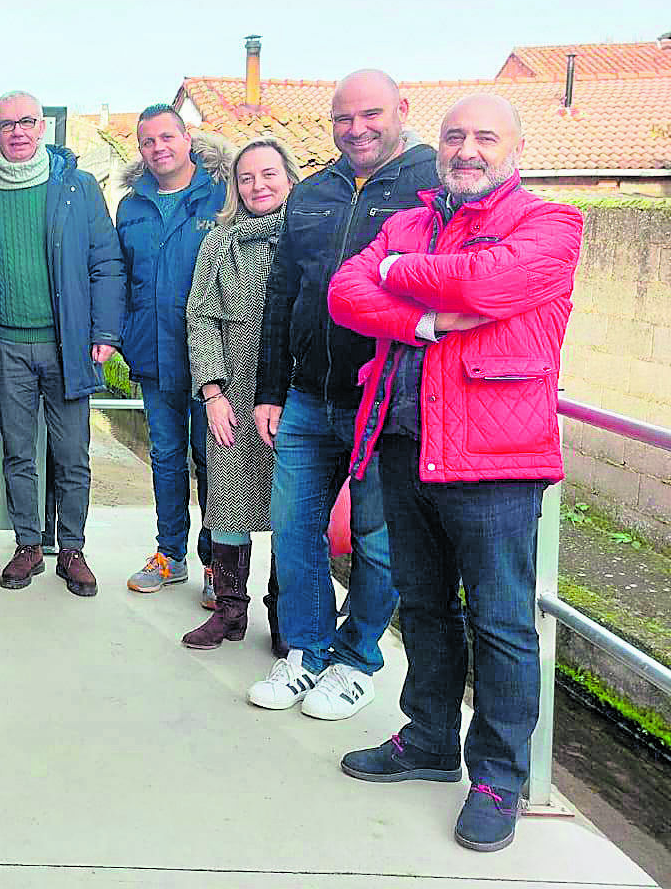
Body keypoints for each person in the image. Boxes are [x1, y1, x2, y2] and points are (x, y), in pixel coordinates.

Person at [330, 94, 582, 853]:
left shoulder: (551, 223)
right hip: (405, 443)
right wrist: (426, 317)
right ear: (435, 145)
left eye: (484, 137)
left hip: (496, 460)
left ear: (516, 146)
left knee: (503, 622)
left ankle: (499, 779)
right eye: (454, 136)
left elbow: (492, 285)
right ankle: (431, 739)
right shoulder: (408, 218)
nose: (466, 149)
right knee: (427, 608)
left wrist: (402, 274)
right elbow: (346, 293)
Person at [247, 69, 438, 721]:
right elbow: (283, 294)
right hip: (305, 394)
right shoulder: (315, 191)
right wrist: (270, 389)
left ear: (401, 110)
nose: (356, 129)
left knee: (377, 542)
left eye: (370, 115)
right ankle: (305, 651)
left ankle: (356, 661)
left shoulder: (433, 185)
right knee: (296, 531)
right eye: (343, 118)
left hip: (384, 400)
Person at [0, 92, 123, 596]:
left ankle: (71, 549)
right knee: (18, 452)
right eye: (6, 124)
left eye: (27, 121)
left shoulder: (78, 188)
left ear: (43, 126)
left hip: (66, 347)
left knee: (72, 455)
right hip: (4, 348)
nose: (18, 131)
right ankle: (28, 544)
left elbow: (106, 263)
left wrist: (105, 332)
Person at [178, 139, 300, 650]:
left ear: (290, 178)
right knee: (229, 503)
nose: (258, 186)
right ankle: (229, 610)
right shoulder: (219, 242)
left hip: (297, 392)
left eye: (269, 175)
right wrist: (212, 392)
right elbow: (200, 317)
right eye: (247, 178)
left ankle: (284, 613)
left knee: (293, 511)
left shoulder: (308, 236)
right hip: (233, 387)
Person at [114, 105, 229, 599]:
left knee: (213, 459)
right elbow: (117, 275)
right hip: (152, 352)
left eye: (167, 137)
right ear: (140, 150)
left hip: (213, 358)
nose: (158, 148)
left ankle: (215, 561)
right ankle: (170, 554)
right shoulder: (131, 207)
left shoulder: (222, 196)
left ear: (187, 139)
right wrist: (120, 332)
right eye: (147, 142)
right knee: (164, 456)